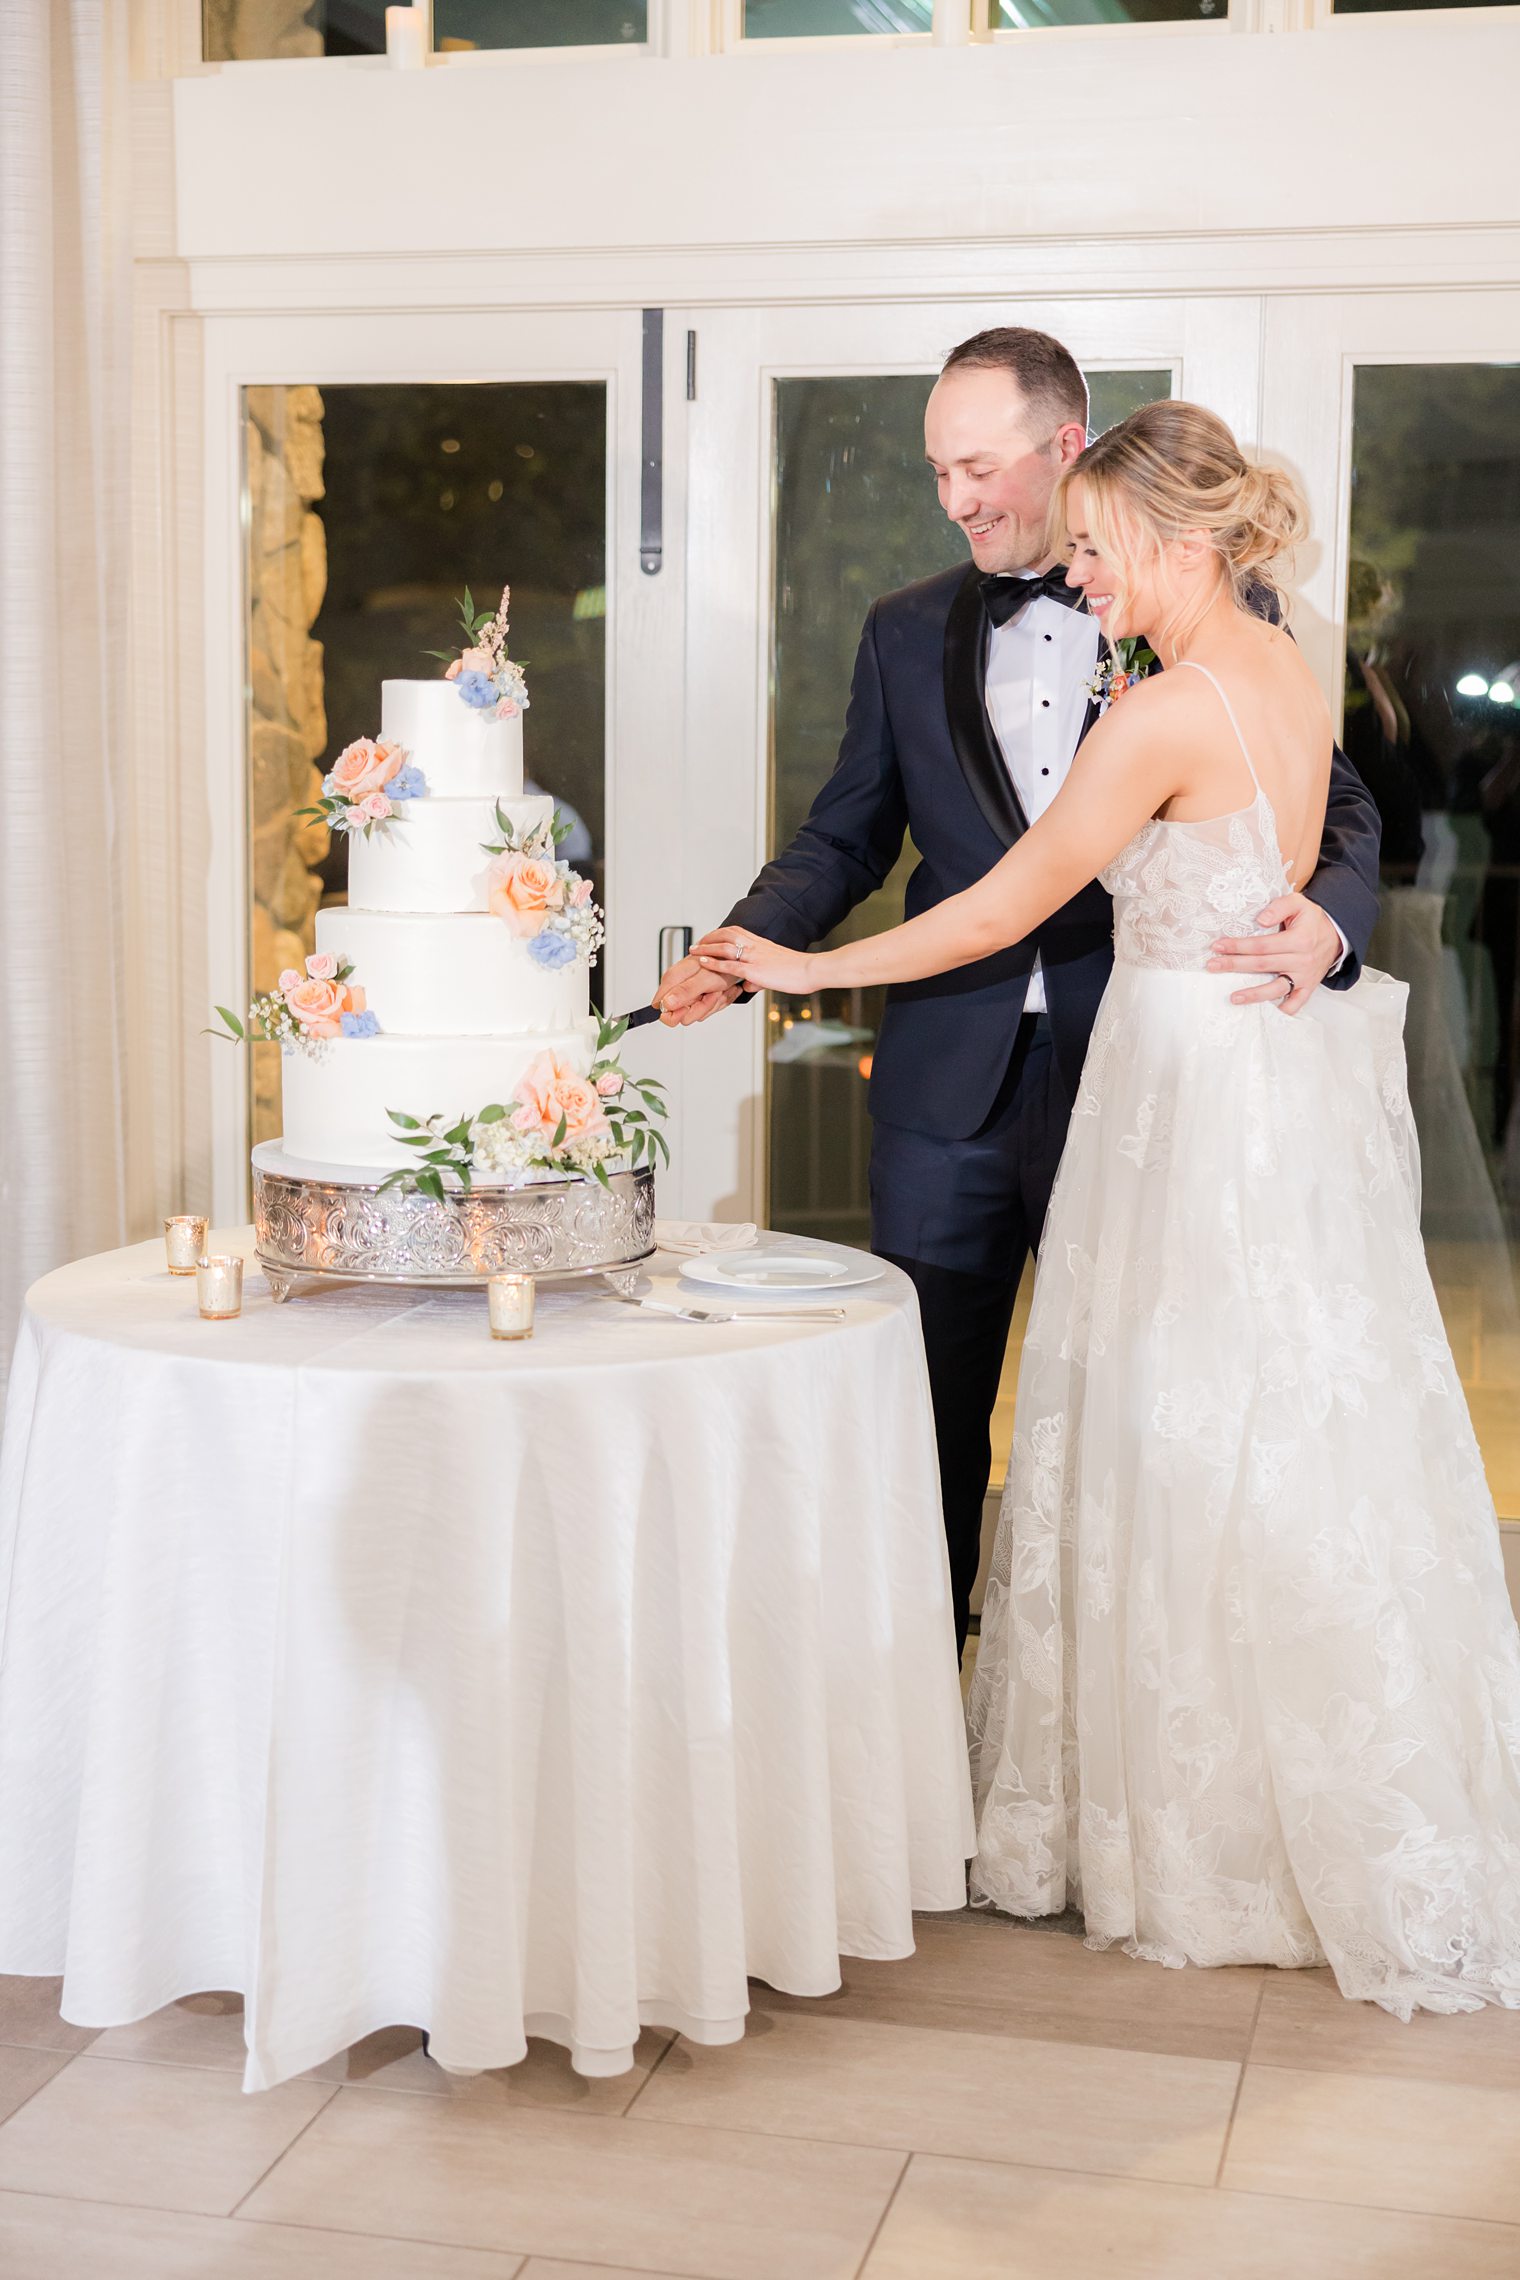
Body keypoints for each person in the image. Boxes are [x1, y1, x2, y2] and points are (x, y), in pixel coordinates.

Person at [694, 401, 1520, 2015]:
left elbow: (1006, 899)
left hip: (1188, 1102)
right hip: (1247, 1084)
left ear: (1175, 538)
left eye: (1094, 546)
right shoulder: (1279, 678)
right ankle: (1267, 1796)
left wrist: (816, 967)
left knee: (1179, 1431)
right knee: (1257, 1433)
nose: (1077, 574)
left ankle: (1204, 1826)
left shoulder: (1159, 714)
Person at [655, 330, 1381, 1655]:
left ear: (1067, 447)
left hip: (1154, 1066)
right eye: (938, 472)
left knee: (1143, 1408)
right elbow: (847, 835)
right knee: (925, 1403)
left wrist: (1327, 930)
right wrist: (743, 948)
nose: (957, 499)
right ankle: (921, 1700)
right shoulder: (903, 630)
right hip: (951, 1081)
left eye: (978, 466)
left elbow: (1336, 810)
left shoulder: (1213, 625)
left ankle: (1112, 1687)